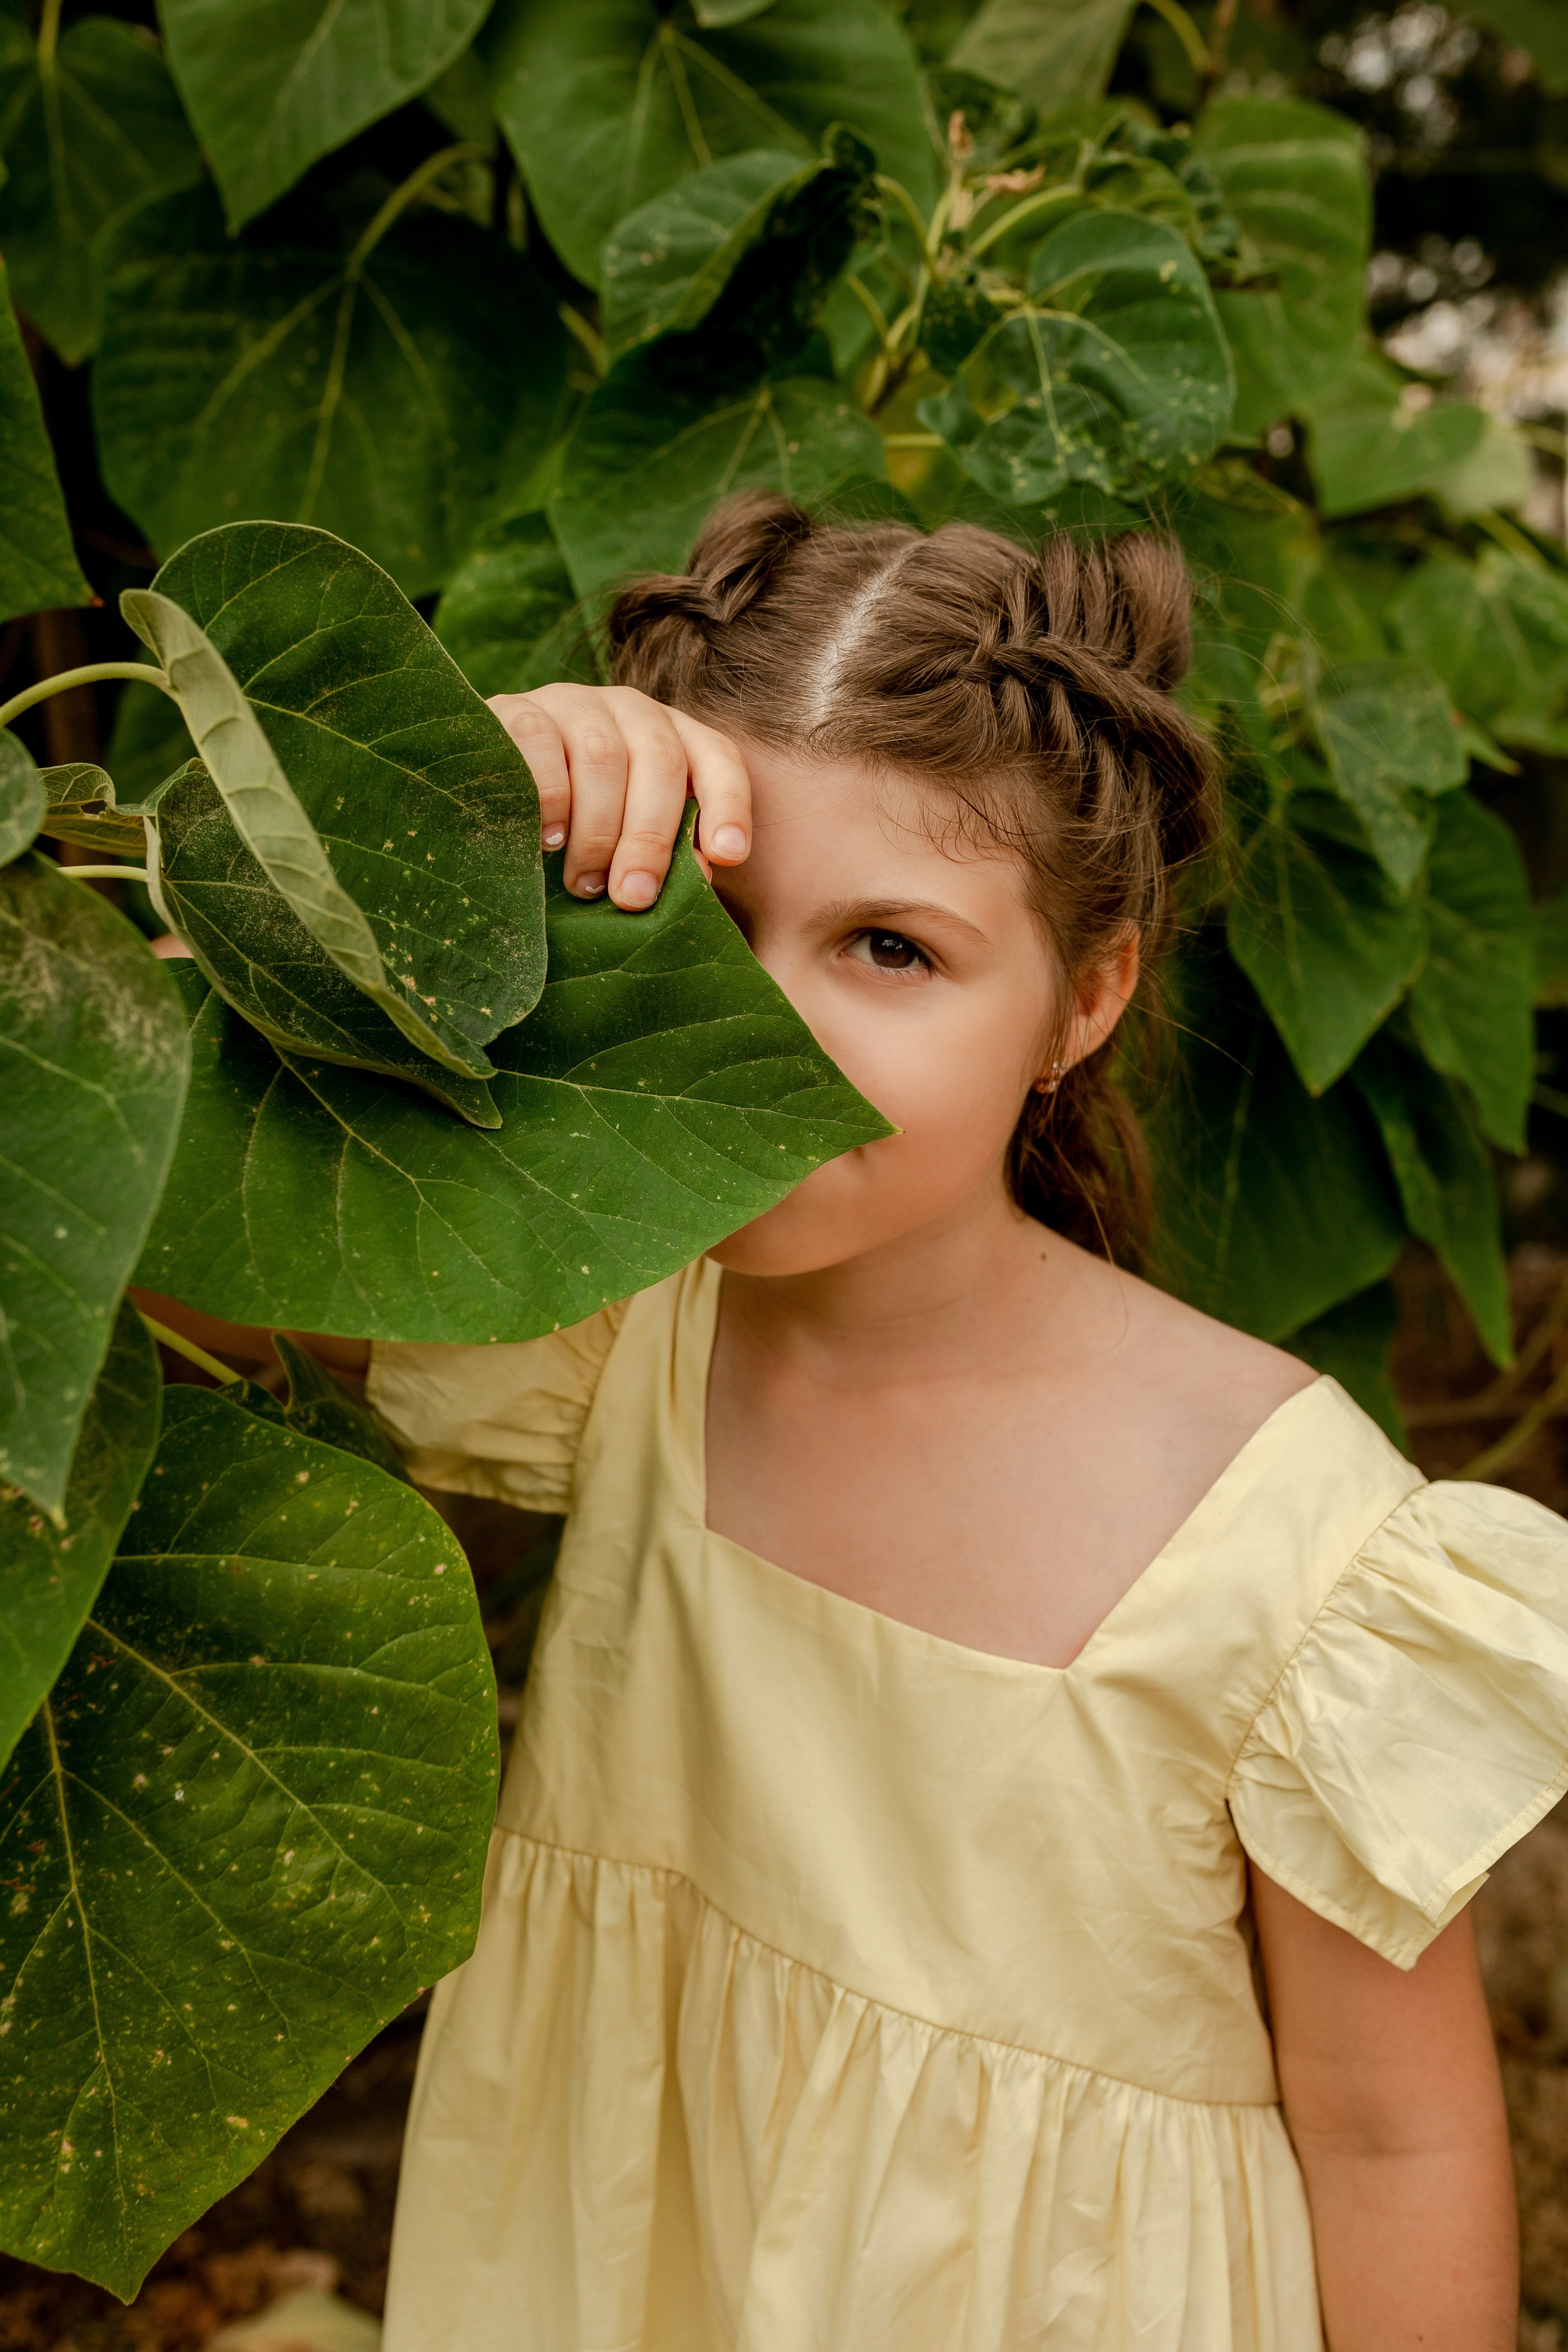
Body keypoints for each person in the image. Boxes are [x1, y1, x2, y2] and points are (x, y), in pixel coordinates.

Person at [148, 495, 1567, 2350]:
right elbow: (159, 1250)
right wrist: (409, 822)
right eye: (716, 926)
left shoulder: (1300, 1554)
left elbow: (1396, 2150)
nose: (773, 1031)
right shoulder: (620, 1335)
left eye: (890, 949)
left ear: (1089, 996)